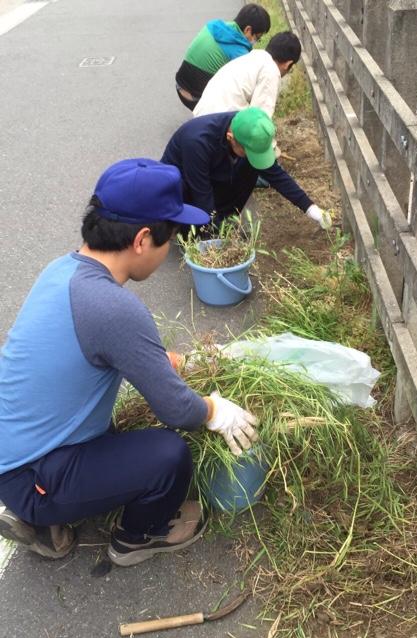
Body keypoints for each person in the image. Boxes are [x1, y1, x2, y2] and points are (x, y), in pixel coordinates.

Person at [0, 159, 258, 568]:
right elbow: (179, 410)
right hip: (30, 475)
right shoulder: (112, 308)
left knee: (120, 437)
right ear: (141, 239)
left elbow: (110, 350)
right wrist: (214, 410)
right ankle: (137, 537)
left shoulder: (64, 270)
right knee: (169, 457)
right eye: (169, 237)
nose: (169, 248)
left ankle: (44, 518)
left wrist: (172, 362)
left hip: (23, 447)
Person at [160, 107, 332, 229]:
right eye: (247, 151)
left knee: (252, 167)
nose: (251, 156)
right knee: (187, 198)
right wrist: (215, 232)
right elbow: (201, 193)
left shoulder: (249, 128)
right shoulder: (198, 142)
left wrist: (311, 209)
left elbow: (275, 174)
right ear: (230, 137)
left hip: (210, 176)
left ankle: (224, 221)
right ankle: (193, 228)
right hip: (180, 192)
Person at [175, 4, 271, 111]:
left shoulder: (214, 25)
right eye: (258, 37)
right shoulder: (239, 53)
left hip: (180, 85)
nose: (256, 42)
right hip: (196, 99)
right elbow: (248, 89)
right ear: (248, 30)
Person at [193, 31, 301, 119]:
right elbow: (259, 120)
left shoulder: (252, 57)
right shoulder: (271, 70)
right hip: (216, 125)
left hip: (200, 118)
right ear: (288, 64)